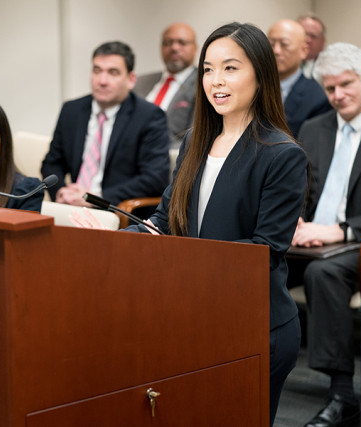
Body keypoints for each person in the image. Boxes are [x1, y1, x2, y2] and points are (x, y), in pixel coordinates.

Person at [73, 22, 308, 426]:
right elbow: (165, 221)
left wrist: (185, 259)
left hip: (254, 326)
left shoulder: (282, 155)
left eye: (230, 68)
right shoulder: (196, 139)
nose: (216, 81)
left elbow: (264, 251)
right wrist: (116, 238)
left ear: (260, 74)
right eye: (208, 69)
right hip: (195, 316)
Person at [291, 43, 361, 427]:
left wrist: (340, 230)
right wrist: (292, 221)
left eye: (346, 85)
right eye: (330, 88)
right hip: (310, 239)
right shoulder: (314, 128)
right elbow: (298, 190)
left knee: (322, 275)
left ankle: (342, 395)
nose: (337, 95)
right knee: (252, 259)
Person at [41, 41, 169, 207]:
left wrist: (95, 199)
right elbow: (52, 163)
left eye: (113, 73)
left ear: (131, 79)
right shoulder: (71, 110)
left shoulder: (149, 116)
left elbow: (155, 178)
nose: (102, 81)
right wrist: (61, 192)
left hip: (113, 210)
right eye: (97, 71)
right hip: (70, 205)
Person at [133, 22, 198, 147]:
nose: (174, 48)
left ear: (195, 48)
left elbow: (194, 140)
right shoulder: (140, 82)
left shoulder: (202, 85)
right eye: (168, 43)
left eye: (182, 42)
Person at [267, 19, 332, 138]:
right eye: (271, 44)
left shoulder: (317, 98)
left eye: (284, 44)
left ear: (304, 50)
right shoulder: (253, 87)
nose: (276, 51)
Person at [298, 14, 326, 78]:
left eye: (313, 36)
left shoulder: (331, 67)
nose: (307, 39)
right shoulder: (280, 64)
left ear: (323, 41)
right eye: (303, 34)